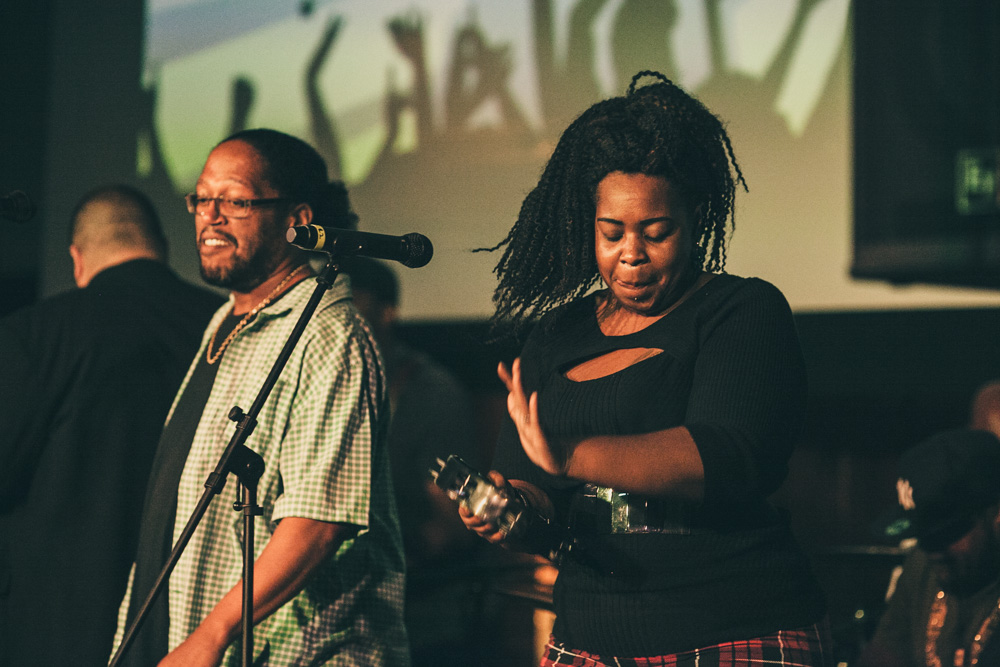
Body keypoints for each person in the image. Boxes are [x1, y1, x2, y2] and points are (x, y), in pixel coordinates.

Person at [460, 70, 830, 666]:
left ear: (694, 220)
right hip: (588, 639)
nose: (631, 253)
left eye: (656, 232)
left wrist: (568, 455)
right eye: (612, 233)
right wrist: (509, 508)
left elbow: (724, 456)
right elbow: (537, 496)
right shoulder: (556, 336)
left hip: (731, 630)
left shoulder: (741, 310)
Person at [110, 129, 409, 666]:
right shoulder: (226, 320)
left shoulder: (327, 333)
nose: (211, 215)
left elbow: (320, 520)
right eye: (202, 198)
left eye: (237, 200)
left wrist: (212, 634)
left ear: (297, 220)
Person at [0, 185, 223, 667]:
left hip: (56, 631)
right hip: (196, 630)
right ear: (161, 247)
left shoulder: (34, 334)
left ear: (76, 258)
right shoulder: (225, 328)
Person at [344, 257, 481, 663]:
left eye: (351, 312)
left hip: (417, 618)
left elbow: (455, 524)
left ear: (387, 313)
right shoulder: (328, 385)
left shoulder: (431, 393)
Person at [858, 429, 1000, 667]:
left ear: (996, 515)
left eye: (945, 533)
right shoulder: (923, 562)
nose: (932, 550)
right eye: (922, 535)